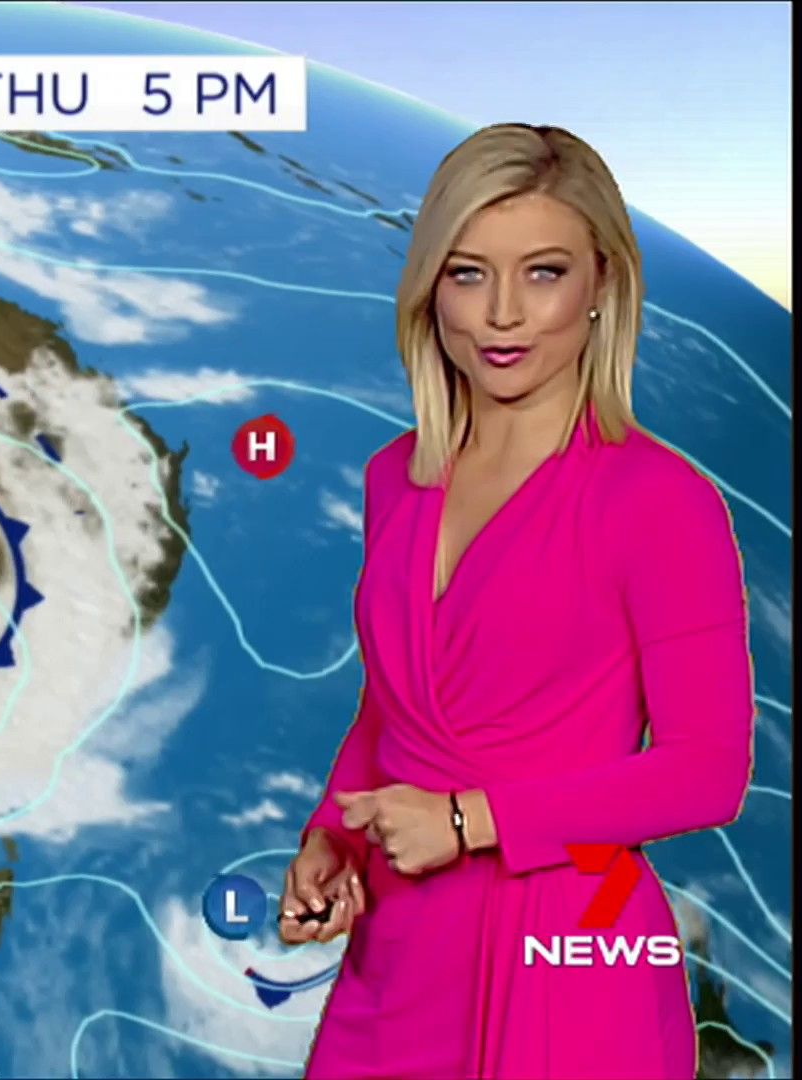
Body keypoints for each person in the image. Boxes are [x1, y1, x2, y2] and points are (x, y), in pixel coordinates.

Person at [280, 123, 754, 1079]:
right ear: (431, 289)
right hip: (399, 955)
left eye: (543, 272)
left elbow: (709, 771)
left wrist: (468, 820)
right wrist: (334, 836)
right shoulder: (396, 479)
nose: (502, 315)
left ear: (602, 285)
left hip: (569, 961)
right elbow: (392, 711)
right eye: (469, 274)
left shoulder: (660, 503)